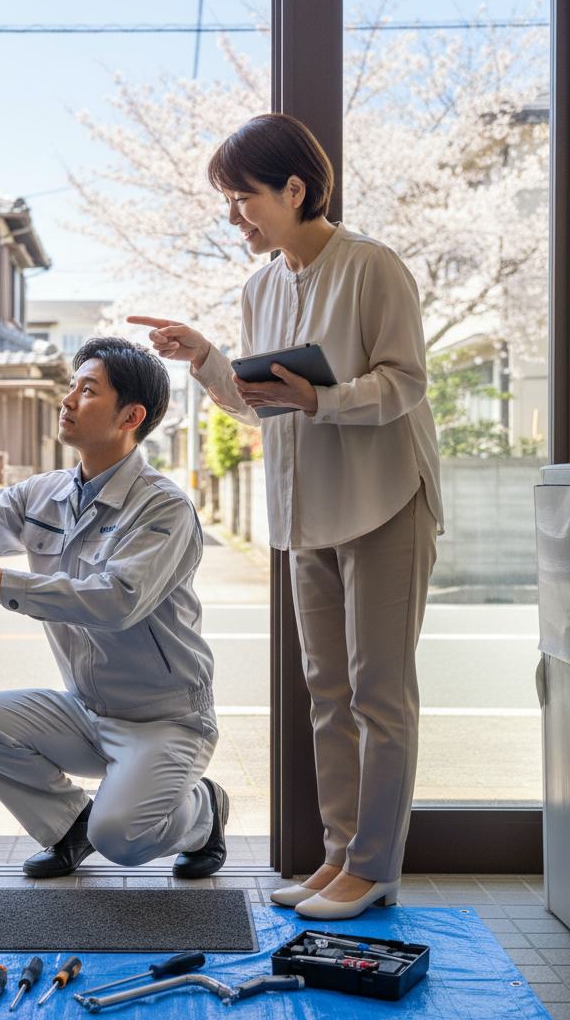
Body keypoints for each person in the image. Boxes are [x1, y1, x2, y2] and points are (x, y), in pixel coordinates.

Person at [129, 113, 443, 920]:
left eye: (244, 198)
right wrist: (205, 358)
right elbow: (257, 405)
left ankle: (373, 867)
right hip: (305, 512)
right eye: (230, 201)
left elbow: (407, 382)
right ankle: (340, 858)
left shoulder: (373, 268)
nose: (235, 215)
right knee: (326, 690)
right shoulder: (261, 286)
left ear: (295, 189)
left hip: (383, 503)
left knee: (381, 694)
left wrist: (325, 397)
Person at [0, 337, 230, 879]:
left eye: (87, 390)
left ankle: (204, 811)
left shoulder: (163, 507)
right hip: (87, 709)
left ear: (130, 417)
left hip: (165, 720)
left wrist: (0, 582)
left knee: (122, 837)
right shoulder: (45, 494)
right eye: (71, 387)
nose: (67, 400)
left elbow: (118, 601)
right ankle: (69, 828)